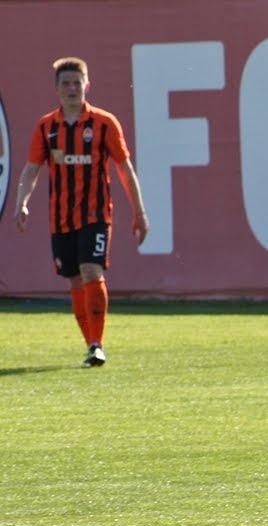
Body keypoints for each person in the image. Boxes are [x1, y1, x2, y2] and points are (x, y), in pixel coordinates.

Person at [13, 56, 148, 368]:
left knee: (91, 270)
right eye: (66, 84)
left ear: (87, 85)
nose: (72, 88)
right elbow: (31, 170)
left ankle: (98, 343)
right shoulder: (46, 127)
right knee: (74, 280)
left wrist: (140, 212)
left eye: (77, 83)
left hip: (96, 215)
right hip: (60, 218)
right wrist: (22, 202)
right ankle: (90, 344)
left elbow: (125, 169)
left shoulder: (104, 123)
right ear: (56, 89)